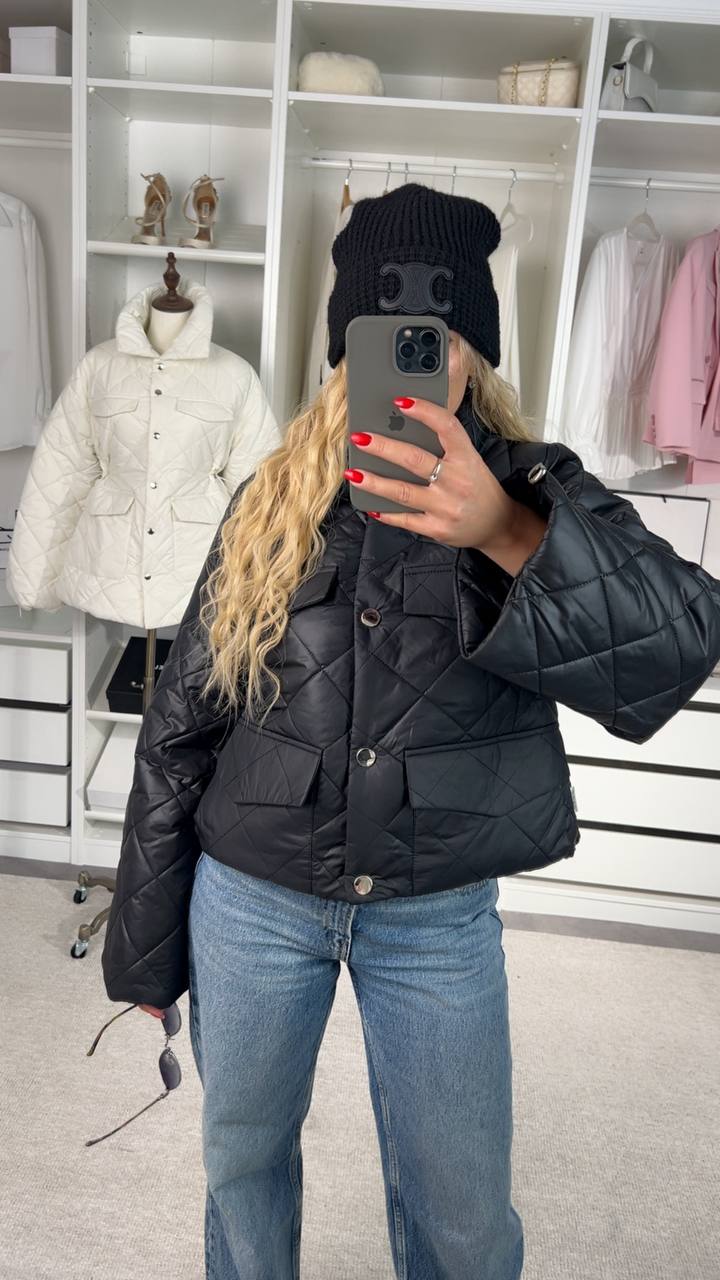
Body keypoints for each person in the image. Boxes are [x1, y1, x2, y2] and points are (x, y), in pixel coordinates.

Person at [101, 183, 720, 1280]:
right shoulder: (270, 502)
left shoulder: (537, 488)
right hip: (252, 899)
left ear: (473, 350)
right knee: (242, 1163)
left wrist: (509, 530)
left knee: (464, 1212)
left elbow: (680, 642)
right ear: (348, 348)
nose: (414, 363)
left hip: (436, 912)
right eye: (386, 338)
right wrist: (147, 942)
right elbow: (181, 725)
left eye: (436, 339)